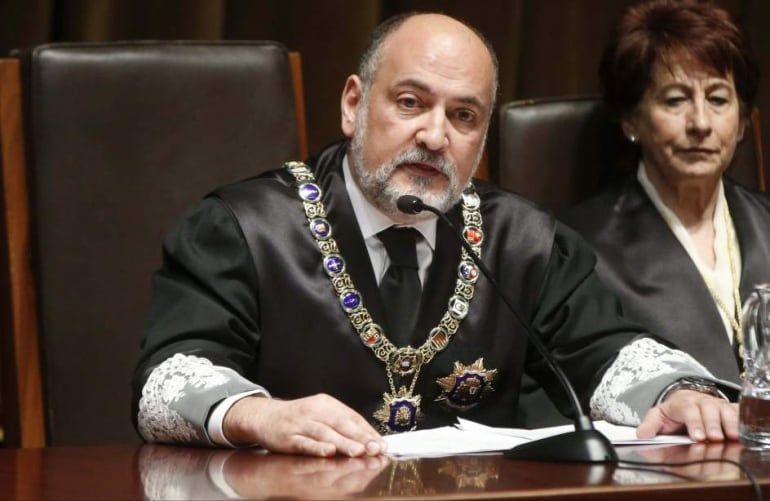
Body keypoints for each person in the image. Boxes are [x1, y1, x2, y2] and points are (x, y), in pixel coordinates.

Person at [132, 12, 739, 457]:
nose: (434, 135)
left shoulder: (523, 242)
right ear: (354, 104)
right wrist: (255, 415)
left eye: (463, 116)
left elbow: (608, 350)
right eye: (409, 102)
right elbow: (169, 376)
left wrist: (681, 391)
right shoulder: (245, 228)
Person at [561, 0, 770, 385]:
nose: (701, 123)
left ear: (742, 122)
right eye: (675, 100)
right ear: (631, 120)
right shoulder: (577, 248)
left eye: (719, 99)